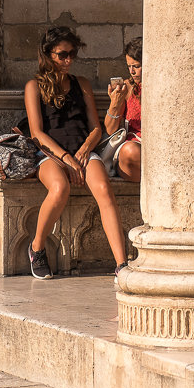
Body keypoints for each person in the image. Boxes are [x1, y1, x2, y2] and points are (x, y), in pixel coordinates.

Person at [23, 26, 128, 280]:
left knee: (103, 188)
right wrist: (65, 158)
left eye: (72, 54)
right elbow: (37, 133)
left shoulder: (81, 84)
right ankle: (36, 249)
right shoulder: (34, 87)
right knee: (60, 187)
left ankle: (122, 265)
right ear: (48, 54)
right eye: (62, 55)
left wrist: (82, 151)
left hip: (82, 151)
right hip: (49, 154)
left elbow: (96, 128)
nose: (68, 60)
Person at [103, 38, 142, 182]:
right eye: (129, 66)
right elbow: (110, 130)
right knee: (130, 151)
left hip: (157, 148)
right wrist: (115, 103)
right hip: (132, 152)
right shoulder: (127, 87)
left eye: (136, 66)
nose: (132, 71)